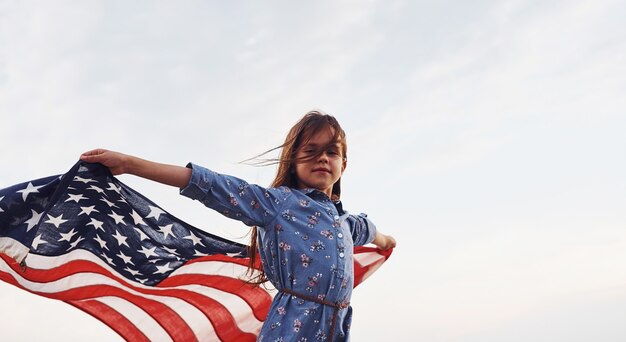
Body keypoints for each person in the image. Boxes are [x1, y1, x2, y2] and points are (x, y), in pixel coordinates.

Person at [80, 110, 396, 341]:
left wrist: (386, 241)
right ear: (293, 160)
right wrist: (130, 165)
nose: (322, 158)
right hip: (290, 329)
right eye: (311, 151)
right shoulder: (278, 204)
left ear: (344, 163)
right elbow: (212, 185)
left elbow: (368, 229)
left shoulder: (344, 222)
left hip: (335, 331)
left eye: (332, 152)